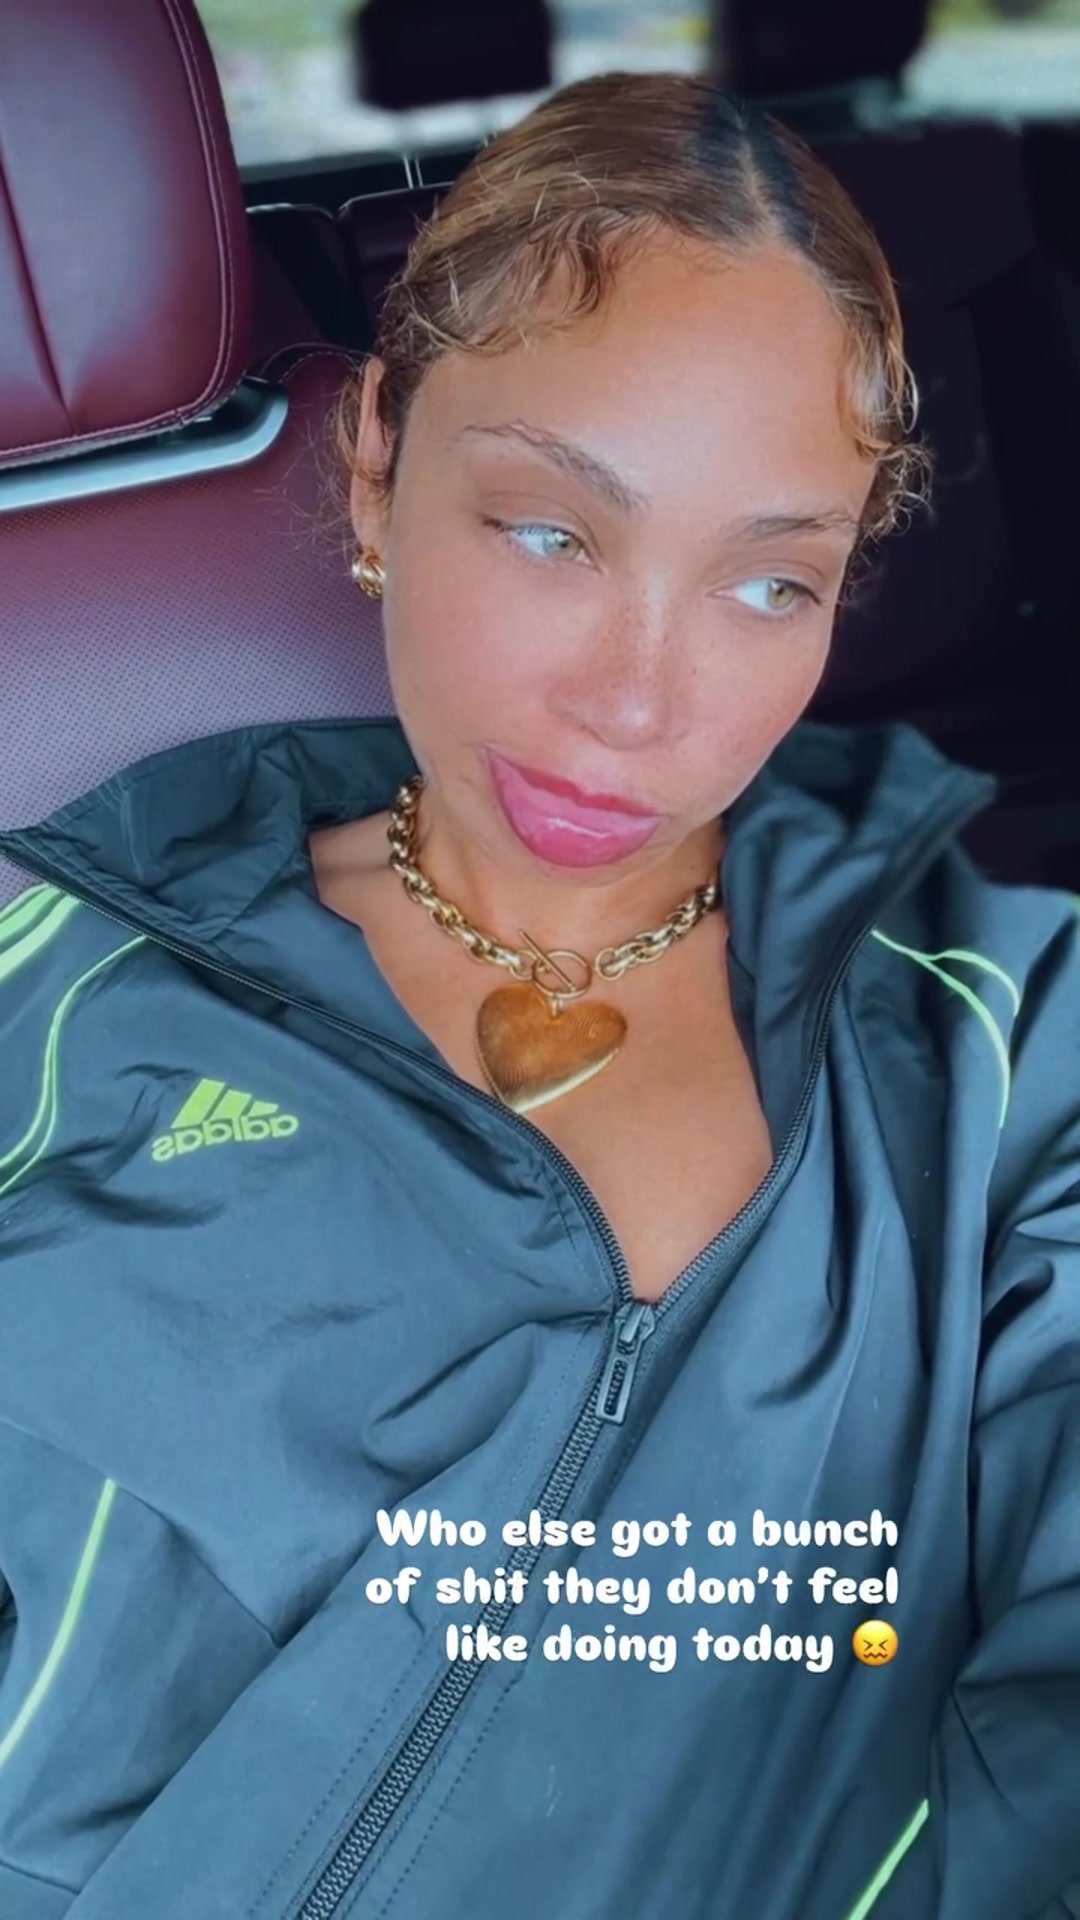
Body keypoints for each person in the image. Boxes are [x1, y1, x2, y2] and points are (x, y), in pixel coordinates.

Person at [0, 71, 1078, 1920]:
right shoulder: (57, 972)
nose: (641, 705)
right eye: (554, 534)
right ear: (375, 461)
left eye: (770, 585)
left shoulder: (1008, 1045)